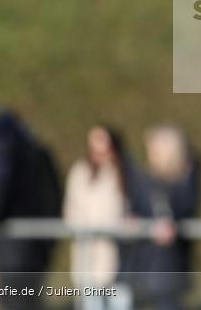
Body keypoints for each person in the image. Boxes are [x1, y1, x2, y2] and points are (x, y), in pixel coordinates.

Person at [0, 110, 61, 310]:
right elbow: (55, 197)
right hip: (39, 247)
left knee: (15, 301)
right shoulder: (39, 154)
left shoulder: (3, 158)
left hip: (13, 251)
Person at [121, 125, 201, 310]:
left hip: (169, 266)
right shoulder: (146, 181)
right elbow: (138, 207)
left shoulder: (185, 182)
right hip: (144, 262)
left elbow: (184, 210)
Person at [63, 126, 130, 310]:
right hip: (88, 250)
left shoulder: (124, 172)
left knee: (119, 300)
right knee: (92, 302)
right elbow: (72, 209)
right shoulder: (80, 172)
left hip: (117, 251)